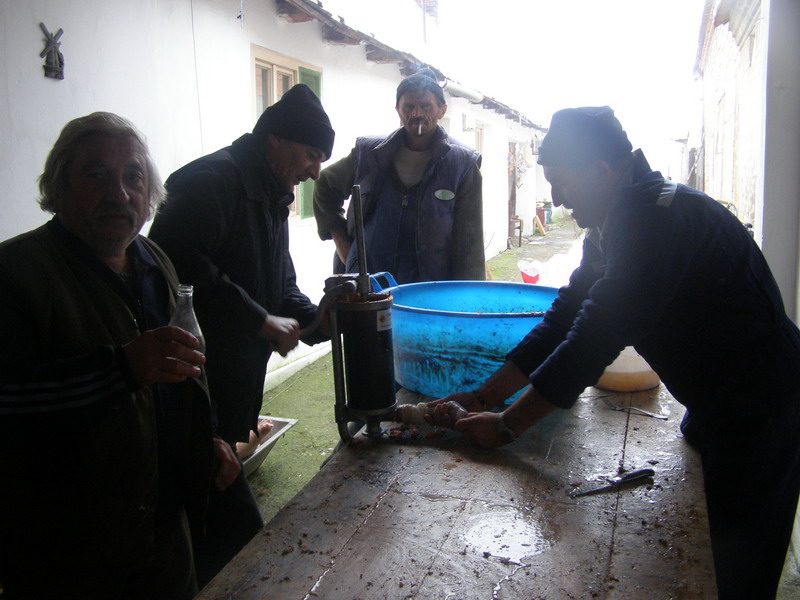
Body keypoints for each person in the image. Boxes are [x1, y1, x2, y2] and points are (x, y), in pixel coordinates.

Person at [431, 106, 800, 599]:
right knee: (705, 533)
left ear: (602, 171)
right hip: (718, 402)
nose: (556, 199)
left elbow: (596, 336)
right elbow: (567, 314)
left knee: (734, 565)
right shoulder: (614, 219)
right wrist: (485, 395)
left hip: (766, 404)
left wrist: (505, 428)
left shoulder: (654, 218)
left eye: (561, 183)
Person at [0, 112, 238, 600]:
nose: (119, 194)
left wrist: (203, 438)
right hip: (69, 554)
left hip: (166, 535)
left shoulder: (155, 261)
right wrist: (120, 370)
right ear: (58, 186)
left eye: (133, 177)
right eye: (95, 175)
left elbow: (181, 374)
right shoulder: (16, 273)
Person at [148, 83, 334, 586]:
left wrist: (324, 320)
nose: (317, 170)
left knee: (214, 530)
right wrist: (258, 319)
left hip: (229, 391)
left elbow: (281, 286)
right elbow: (176, 262)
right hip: (188, 390)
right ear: (275, 140)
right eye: (313, 154)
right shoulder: (210, 181)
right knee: (226, 535)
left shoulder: (272, 195)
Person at [313, 67, 485, 283]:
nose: (417, 114)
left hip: (429, 289)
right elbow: (325, 185)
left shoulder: (462, 164)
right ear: (398, 109)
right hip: (368, 286)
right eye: (409, 106)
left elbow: (470, 243)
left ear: (442, 110)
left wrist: (465, 300)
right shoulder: (368, 154)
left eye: (425, 106)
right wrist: (342, 241)